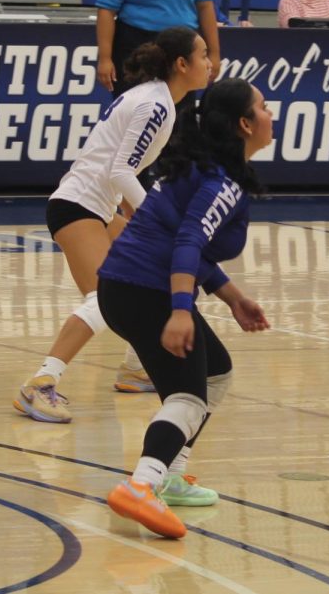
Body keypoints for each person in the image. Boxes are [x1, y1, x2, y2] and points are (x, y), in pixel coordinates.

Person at [100, 77, 272, 538]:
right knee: (188, 397)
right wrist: (180, 310)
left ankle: (170, 476)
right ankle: (141, 486)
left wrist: (233, 298)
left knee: (215, 371)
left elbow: (188, 244)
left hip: (122, 285)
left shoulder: (202, 168)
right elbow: (189, 240)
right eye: (262, 106)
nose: (270, 112)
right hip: (146, 290)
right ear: (243, 124)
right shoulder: (219, 181)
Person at [13, 26, 212, 423]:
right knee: (104, 300)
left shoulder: (156, 100)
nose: (210, 62)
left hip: (98, 208)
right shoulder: (156, 106)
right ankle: (40, 384)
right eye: (204, 54)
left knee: (161, 274)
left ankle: (137, 368)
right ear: (181, 64)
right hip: (78, 205)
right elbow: (120, 171)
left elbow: (119, 170)